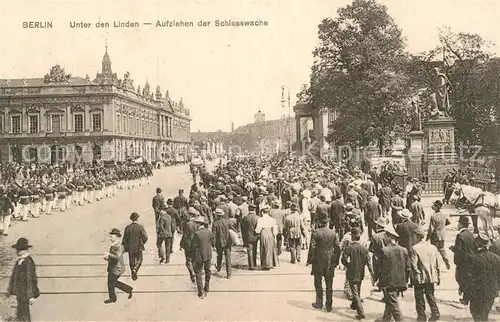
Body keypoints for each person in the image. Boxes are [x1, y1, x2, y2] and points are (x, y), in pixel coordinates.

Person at [307, 214, 341, 313]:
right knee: (329, 283)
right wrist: (336, 261)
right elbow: (338, 248)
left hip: (318, 260)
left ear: (319, 223)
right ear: (327, 223)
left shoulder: (315, 232)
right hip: (330, 260)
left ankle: (319, 302)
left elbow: (312, 247)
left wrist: (309, 260)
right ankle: (329, 305)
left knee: (318, 282)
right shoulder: (333, 233)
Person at [375, 225, 410, 322]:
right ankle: (385, 319)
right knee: (390, 301)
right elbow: (408, 268)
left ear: (389, 237)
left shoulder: (385, 251)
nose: (384, 238)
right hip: (401, 281)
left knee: (394, 304)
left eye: (385, 236)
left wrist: (378, 280)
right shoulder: (404, 250)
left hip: (389, 282)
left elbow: (381, 268)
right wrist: (405, 280)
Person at [463, 233, 500, 321]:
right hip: (491, 293)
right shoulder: (496, 258)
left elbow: (469, 278)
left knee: (476, 315)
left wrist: (465, 295)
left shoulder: (472, 258)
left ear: (477, 244)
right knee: (484, 314)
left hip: (477, 292)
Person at [410, 225, 441, 321]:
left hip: (420, 277)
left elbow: (414, 265)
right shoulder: (433, 247)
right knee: (430, 295)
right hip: (431, 276)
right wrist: (438, 275)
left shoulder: (415, 248)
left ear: (417, 236)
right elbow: (438, 263)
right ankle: (435, 312)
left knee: (419, 297)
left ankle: (421, 316)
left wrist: (416, 274)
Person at [342, 227, 373, 320]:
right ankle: (354, 305)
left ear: (352, 236)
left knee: (355, 292)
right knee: (357, 289)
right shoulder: (364, 248)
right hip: (361, 272)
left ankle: (360, 312)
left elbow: (343, 260)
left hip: (351, 272)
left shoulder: (348, 248)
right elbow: (368, 261)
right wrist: (372, 272)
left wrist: (348, 264)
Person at [8, 238, 40, 322]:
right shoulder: (19, 261)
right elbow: (14, 278)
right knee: (21, 314)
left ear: (22, 250)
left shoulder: (28, 262)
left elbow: (29, 279)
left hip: (25, 294)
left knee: (24, 315)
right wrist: (12, 292)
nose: (16, 251)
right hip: (20, 293)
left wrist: (30, 296)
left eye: (18, 249)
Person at [449, 216, 477, 300]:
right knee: (467, 278)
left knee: (460, 278)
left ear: (461, 224)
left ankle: (465, 296)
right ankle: (466, 297)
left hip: (463, 261)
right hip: (471, 260)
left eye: (458, 223)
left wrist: (454, 251)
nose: (458, 225)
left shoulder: (460, 236)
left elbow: (459, 250)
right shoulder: (471, 234)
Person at [103, 228, 133, 304]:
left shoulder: (118, 246)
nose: (110, 238)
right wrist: (108, 258)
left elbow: (117, 257)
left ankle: (113, 298)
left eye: (111, 236)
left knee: (111, 283)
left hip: (117, 268)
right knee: (112, 283)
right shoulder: (115, 245)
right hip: (114, 267)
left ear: (116, 236)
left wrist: (109, 255)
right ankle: (127, 289)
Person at [191, 216, 212, 299]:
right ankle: (206, 287)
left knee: (198, 272)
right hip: (208, 255)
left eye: (196, 223)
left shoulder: (197, 234)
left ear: (199, 224)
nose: (195, 225)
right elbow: (211, 241)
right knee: (208, 271)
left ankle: (200, 291)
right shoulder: (209, 232)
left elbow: (193, 245)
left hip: (199, 255)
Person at [122, 212, 148, 280]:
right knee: (140, 259)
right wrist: (142, 243)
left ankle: (132, 272)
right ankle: (135, 269)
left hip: (130, 248)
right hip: (139, 246)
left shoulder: (127, 228)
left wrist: (125, 246)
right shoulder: (140, 227)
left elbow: (124, 239)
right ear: (137, 219)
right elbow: (145, 237)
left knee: (131, 261)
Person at [427, 200, 451, 270]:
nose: (432, 206)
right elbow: (448, 222)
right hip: (442, 235)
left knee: (434, 251)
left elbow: (431, 229)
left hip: (435, 236)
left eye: (434, 205)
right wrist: (441, 226)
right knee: (442, 249)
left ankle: (436, 266)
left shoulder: (433, 216)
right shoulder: (443, 215)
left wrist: (427, 238)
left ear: (436, 207)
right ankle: (446, 261)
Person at [211, 208, 233, 279]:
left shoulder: (215, 223)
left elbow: (213, 235)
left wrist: (213, 244)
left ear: (217, 215)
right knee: (228, 258)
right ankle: (228, 274)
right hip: (228, 242)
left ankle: (218, 268)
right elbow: (233, 230)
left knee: (219, 256)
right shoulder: (228, 221)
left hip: (219, 243)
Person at [256, 205, 279, 269]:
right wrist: (274, 234)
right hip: (269, 233)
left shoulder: (260, 219)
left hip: (263, 233)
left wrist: (257, 231)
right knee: (270, 248)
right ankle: (270, 263)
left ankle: (264, 264)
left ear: (262, 212)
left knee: (263, 247)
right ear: (268, 212)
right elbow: (275, 231)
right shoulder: (272, 219)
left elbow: (258, 230)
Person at [240, 203, 259, 270]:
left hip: (247, 236)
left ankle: (251, 265)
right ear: (254, 209)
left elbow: (242, 228)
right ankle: (254, 263)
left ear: (249, 209)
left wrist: (243, 237)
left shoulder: (245, 218)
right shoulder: (257, 218)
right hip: (255, 236)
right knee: (255, 250)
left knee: (249, 250)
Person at [180, 213, 198, 283]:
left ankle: (192, 273)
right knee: (194, 260)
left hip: (189, 244)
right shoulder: (197, 224)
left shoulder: (188, 224)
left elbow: (185, 235)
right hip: (196, 244)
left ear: (191, 215)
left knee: (188, 260)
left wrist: (181, 244)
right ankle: (195, 273)